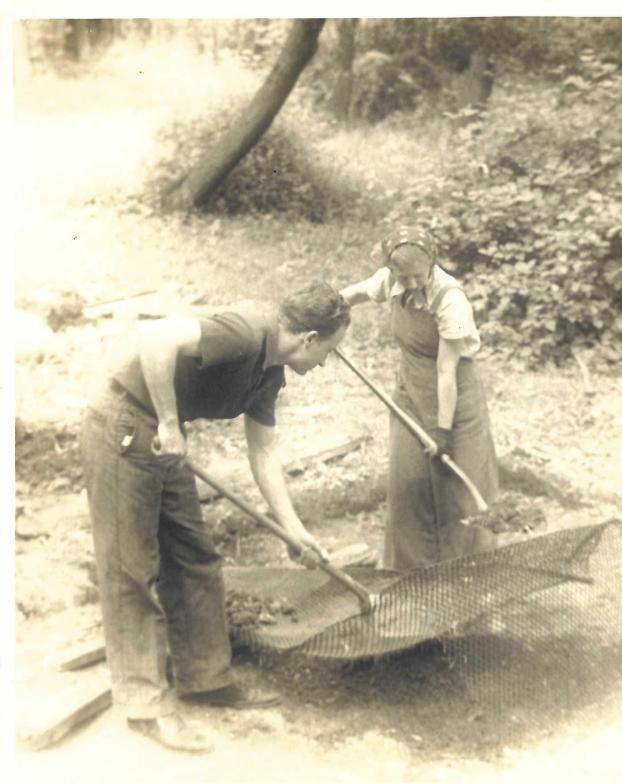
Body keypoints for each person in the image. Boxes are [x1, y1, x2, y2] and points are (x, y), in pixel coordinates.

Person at [81, 281, 350, 753]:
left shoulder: (271, 373)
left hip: (163, 436)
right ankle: (145, 705)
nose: (325, 361)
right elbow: (157, 339)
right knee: (131, 568)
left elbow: (264, 451)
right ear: (308, 338)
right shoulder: (246, 332)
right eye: (328, 351)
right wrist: (168, 422)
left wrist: (293, 529)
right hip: (124, 424)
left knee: (193, 555)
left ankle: (205, 678)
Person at [340, 226, 498, 571]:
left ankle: (469, 573)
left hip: (456, 400)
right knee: (407, 485)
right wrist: (326, 309)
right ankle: (408, 573)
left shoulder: (450, 299)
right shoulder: (390, 281)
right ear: (392, 270)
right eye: (403, 277)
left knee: (461, 493)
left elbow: (446, 370)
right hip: (410, 394)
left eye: (418, 276)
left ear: (432, 265)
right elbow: (353, 294)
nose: (411, 284)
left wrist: (443, 432)